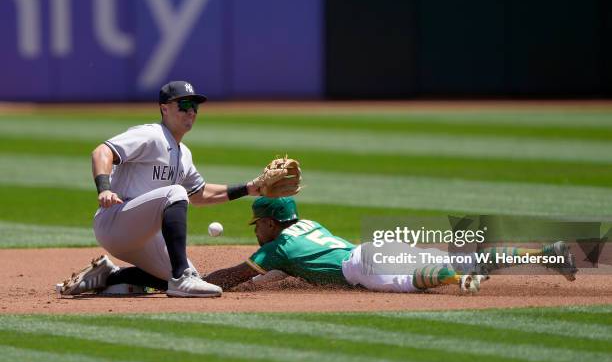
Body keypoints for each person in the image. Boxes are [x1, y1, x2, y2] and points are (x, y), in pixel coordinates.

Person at [60, 81, 266, 297]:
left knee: (193, 275)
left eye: (195, 106)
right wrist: (104, 189)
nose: (191, 111)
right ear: (164, 108)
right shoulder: (151, 135)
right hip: (115, 222)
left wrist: (249, 189)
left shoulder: (184, 153)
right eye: (184, 104)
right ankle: (180, 280)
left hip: (145, 235)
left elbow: (199, 194)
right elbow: (101, 151)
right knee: (175, 193)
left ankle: (108, 276)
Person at [203, 197, 578, 294]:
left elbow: (233, 277)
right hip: (374, 246)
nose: (256, 233)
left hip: (361, 267)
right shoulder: (309, 224)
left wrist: (196, 280)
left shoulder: (275, 249)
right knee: (460, 258)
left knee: (410, 282)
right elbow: (274, 275)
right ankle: (546, 252)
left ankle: (458, 279)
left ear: (269, 223)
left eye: (258, 226)